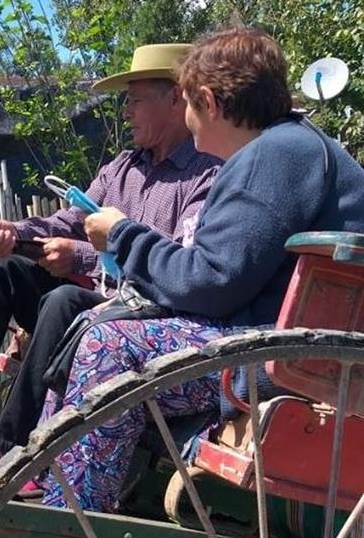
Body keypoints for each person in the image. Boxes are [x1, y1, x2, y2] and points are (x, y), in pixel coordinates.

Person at [39, 27, 364, 512]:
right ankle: (53, 485)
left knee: (110, 345)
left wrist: (124, 235)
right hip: (303, 344)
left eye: (188, 105)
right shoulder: (287, 149)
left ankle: (69, 523)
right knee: (100, 323)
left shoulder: (273, 156)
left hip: (294, 355)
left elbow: (210, 282)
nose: (188, 122)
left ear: (208, 101)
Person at [0, 43, 221, 454]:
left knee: (64, 301)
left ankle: (11, 452)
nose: (126, 112)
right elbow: (67, 221)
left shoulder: (206, 175)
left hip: (143, 318)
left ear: (175, 98)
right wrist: (16, 233)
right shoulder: (122, 168)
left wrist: (80, 257)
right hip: (98, 303)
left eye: (135, 100)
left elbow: (179, 263)